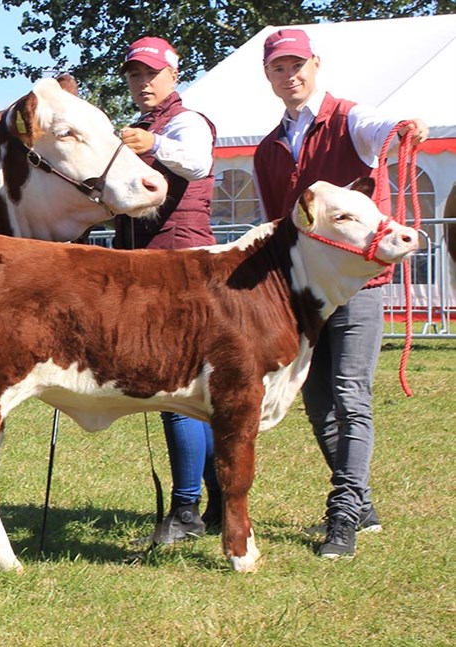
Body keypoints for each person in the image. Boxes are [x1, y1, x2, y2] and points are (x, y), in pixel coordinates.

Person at [253, 28, 428, 559]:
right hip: (306, 294)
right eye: (279, 68)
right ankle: (362, 501)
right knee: (314, 397)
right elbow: (276, 225)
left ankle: (345, 512)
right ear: (269, 76)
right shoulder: (267, 150)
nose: (291, 76)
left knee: (351, 393)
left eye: (297, 65)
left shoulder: (350, 119)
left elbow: (382, 128)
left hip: (360, 283)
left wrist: (403, 127)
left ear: (316, 64)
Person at [114, 36, 222, 545]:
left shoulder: (186, 122)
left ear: (173, 75)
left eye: (151, 74)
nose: (143, 83)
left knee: (176, 392)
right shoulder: (143, 129)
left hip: (181, 273)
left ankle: (186, 512)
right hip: (155, 271)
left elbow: (196, 163)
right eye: (135, 75)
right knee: (192, 394)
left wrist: (151, 145)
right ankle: (216, 500)